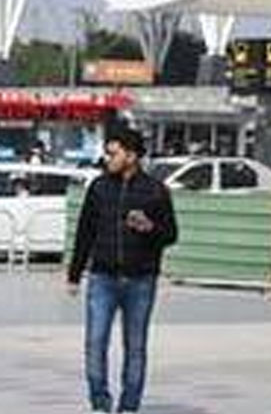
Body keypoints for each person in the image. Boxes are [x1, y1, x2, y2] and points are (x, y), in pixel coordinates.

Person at [67, 127, 178, 414]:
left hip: (141, 280)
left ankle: (129, 406)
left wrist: (149, 227)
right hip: (102, 278)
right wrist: (74, 274)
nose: (108, 158)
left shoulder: (155, 190)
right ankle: (100, 403)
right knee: (95, 342)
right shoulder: (99, 187)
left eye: (113, 153)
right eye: (107, 153)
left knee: (136, 346)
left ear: (131, 155)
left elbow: (170, 235)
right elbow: (85, 232)